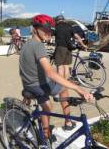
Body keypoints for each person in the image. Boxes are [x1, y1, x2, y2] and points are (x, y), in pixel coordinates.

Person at [19, 14, 93, 143]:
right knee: (64, 87)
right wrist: (79, 89)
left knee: (47, 106)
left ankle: (45, 135)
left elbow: (22, 69)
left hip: (29, 84)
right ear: (35, 29)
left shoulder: (26, 44)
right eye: (45, 29)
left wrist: (26, 88)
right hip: (39, 85)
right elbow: (50, 73)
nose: (49, 32)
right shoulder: (38, 46)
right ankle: (68, 122)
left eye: (50, 29)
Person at [54, 15, 88, 80]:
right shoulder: (69, 26)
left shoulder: (57, 27)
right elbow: (77, 36)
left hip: (60, 48)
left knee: (60, 66)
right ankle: (66, 83)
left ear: (57, 21)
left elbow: (49, 36)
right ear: (63, 20)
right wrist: (83, 45)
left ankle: (60, 84)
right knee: (66, 66)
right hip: (69, 48)